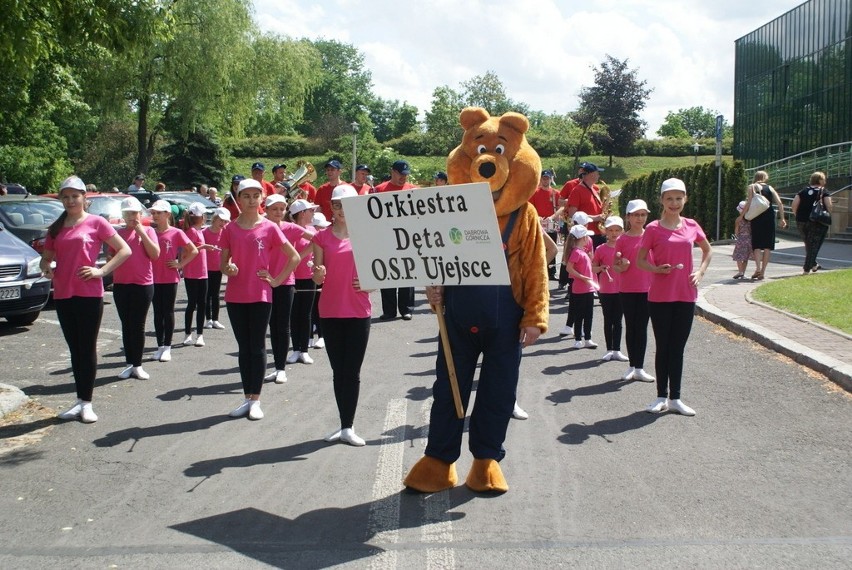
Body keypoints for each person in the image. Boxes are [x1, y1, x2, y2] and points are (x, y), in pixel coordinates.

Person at [41, 176, 131, 423]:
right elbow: (46, 257)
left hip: (89, 294)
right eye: (66, 196)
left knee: (87, 347)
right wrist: (46, 265)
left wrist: (101, 271)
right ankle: (79, 400)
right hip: (63, 294)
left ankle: (87, 403)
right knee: (75, 349)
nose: (70, 200)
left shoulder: (96, 223)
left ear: (84, 198)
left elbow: (124, 250)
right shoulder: (57, 228)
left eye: (75, 196)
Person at [219, 179, 300, 420]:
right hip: (235, 295)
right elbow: (223, 263)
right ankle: (246, 398)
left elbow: (293, 257)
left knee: (257, 346)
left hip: (261, 294)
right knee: (244, 349)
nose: (252, 200)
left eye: (256, 195)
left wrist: (276, 280)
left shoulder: (270, 227)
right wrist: (229, 267)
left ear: (262, 198)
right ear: (239, 197)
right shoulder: (229, 229)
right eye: (247, 196)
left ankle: (256, 400)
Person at [637, 178, 712, 416]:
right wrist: (655, 269)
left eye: (679, 198)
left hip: (686, 295)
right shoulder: (653, 229)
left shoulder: (691, 225)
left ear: (685, 199)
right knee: (664, 346)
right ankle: (660, 396)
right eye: (669, 198)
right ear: (661, 200)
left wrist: (700, 272)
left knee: (677, 348)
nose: (674, 203)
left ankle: (675, 398)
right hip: (659, 296)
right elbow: (640, 260)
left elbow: (707, 250)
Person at [311, 184, 372, 446]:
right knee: (339, 371)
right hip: (330, 310)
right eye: (337, 205)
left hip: (358, 310)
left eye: (346, 205)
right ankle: (343, 424)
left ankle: (349, 425)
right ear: (331, 208)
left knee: (352, 371)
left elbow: (382, 272)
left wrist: (371, 283)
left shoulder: (368, 235)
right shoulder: (321, 238)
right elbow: (316, 273)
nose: (341, 210)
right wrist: (318, 274)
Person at [111, 197, 160, 381]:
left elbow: (155, 254)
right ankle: (129, 363)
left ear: (140, 214)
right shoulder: (117, 233)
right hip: (121, 284)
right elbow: (111, 255)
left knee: (138, 324)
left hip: (143, 284)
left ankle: (138, 365)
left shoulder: (148, 231)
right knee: (126, 324)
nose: (131, 217)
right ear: (123, 215)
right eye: (128, 213)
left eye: (134, 213)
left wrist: (141, 231)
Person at [264, 194, 312, 383]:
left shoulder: (291, 228)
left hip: (285, 282)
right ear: (266, 210)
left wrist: (301, 254)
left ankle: (280, 368)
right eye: (274, 209)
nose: (278, 212)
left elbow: (318, 239)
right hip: (263, 282)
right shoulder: (261, 227)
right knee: (271, 326)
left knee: (283, 326)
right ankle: (276, 366)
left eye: (281, 209)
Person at [150, 199, 198, 363]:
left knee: (168, 311)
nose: (155, 216)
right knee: (157, 312)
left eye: (159, 213)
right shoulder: (151, 233)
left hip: (169, 278)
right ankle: (159, 346)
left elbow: (193, 250)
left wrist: (180, 264)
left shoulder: (176, 233)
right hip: (153, 278)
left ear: (167, 214)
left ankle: (168, 347)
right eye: (153, 213)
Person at [614, 200, 655, 382]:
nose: (640, 218)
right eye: (636, 215)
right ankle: (632, 365)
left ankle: (640, 367)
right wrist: (623, 265)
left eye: (643, 215)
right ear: (628, 217)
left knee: (642, 327)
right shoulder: (622, 239)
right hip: (628, 288)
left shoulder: (651, 236)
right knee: (631, 327)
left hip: (649, 288)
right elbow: (616, 267)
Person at [374, 160, 418, 320]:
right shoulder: (379, 189)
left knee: (408, 272)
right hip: (386, 237)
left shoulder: (414, 190)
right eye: (400, 174)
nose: (403, 178)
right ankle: (389, 310)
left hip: (408, 237)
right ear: (392, 171)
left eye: (406, 175)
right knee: (388, 273)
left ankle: (406, 309)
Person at [289, 204, 323, 369]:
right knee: (294, 314)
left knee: (306, 313)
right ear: (302, 213)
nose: (313, 212)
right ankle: (295, 349)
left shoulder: (312, 230)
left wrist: (299, 257)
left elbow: (318, 243)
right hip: (291, 276)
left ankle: (304, 349)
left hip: (308, 276)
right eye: (310, 210)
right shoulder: (290, 228)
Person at [593, 216, 628, 362]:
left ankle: (617, 350)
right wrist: (600, 268)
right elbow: (593, 267)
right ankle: (609, 349)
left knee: (618, 321)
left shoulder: (625, 248)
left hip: (622, 289)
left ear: (622, 231)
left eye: (617, 230)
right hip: (606, 289)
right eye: (611, 230)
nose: (614, 233)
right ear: (605, 231)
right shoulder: (600, 249)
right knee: (608, 319)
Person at [741, 170, 785, 280]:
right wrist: (782, 218)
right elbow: (779, 203)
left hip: (756, 216)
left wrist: (742, 215)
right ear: (765, 177)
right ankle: (763, 271)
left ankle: (757, 268)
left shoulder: (751, 186)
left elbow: (750, 202)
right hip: (769, 216)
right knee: (767, 246)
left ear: (755, 177)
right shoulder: (770, 188)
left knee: (757, 244)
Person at [792, 171, 833, 275]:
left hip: (801, 221)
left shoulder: (803, 191)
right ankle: (806, 268)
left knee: (808, 244)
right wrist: (827, 214)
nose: (825, 181)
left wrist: (797, 216)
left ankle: (814, 265)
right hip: (816, 221)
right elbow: (829, 206)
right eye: (824, 179)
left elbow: (794, 205)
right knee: (814, 245)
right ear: (819, 180)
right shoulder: (823, 191)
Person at [180, 202, 209, 347]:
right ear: (201, 217)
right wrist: (203, 246)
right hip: (192, 272)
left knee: (202, 303)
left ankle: (199, 334)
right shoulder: (191, 231)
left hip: (202, 273)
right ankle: (188, 333)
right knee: (193, 303)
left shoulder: (199, 231)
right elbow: (186, 250)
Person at [564, 224, 598, 349]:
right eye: (587, 237)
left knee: (589, 314)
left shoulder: (582, 252)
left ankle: (587, 338)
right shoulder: (576, 252)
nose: (588, 239)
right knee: (579, 315)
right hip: (579, 289)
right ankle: (578, 339)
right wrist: (582, 277)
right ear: (583, 238)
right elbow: (569, 268)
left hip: (588, 288)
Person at [566, 162, 607, 248]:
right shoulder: (577, 191)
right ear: (589, 174)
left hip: (599, 232)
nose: (599, 175)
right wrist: (595, 218)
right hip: (586, 235)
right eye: (597, 173)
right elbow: (572, 214)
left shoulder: (594, 189)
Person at [529, 169, 559, 280]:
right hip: (539, 223)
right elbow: (530, 207)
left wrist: (552, 217)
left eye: (547, 178)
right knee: (539, 247)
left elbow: (562, 207)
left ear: (551, 179)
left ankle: (552, 272)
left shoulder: (555, 192)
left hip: (551, 222)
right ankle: (542, 269)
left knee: (552, 245)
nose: (545, 180)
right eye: (544, 178)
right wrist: (538, 217)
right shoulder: (535, 192)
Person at [203, 208, 230, 329]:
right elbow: (197, 248)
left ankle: (215, 319)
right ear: (214, 219)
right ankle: (208, 319)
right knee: (206, 294)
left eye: (225, 222)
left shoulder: (225, 234)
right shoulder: (204, 232)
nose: (222, 224)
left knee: (215, 294)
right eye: (221, 220)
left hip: (218, 268)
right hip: (205, 268)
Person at [732, 201, 753, 279]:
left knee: (739, 257)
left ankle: (740, 271)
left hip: (741, 239)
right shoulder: (750, 219)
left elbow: (736, 232)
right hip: (749, 239)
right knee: (745, 258)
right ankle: (743, 273)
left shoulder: (738, 220)